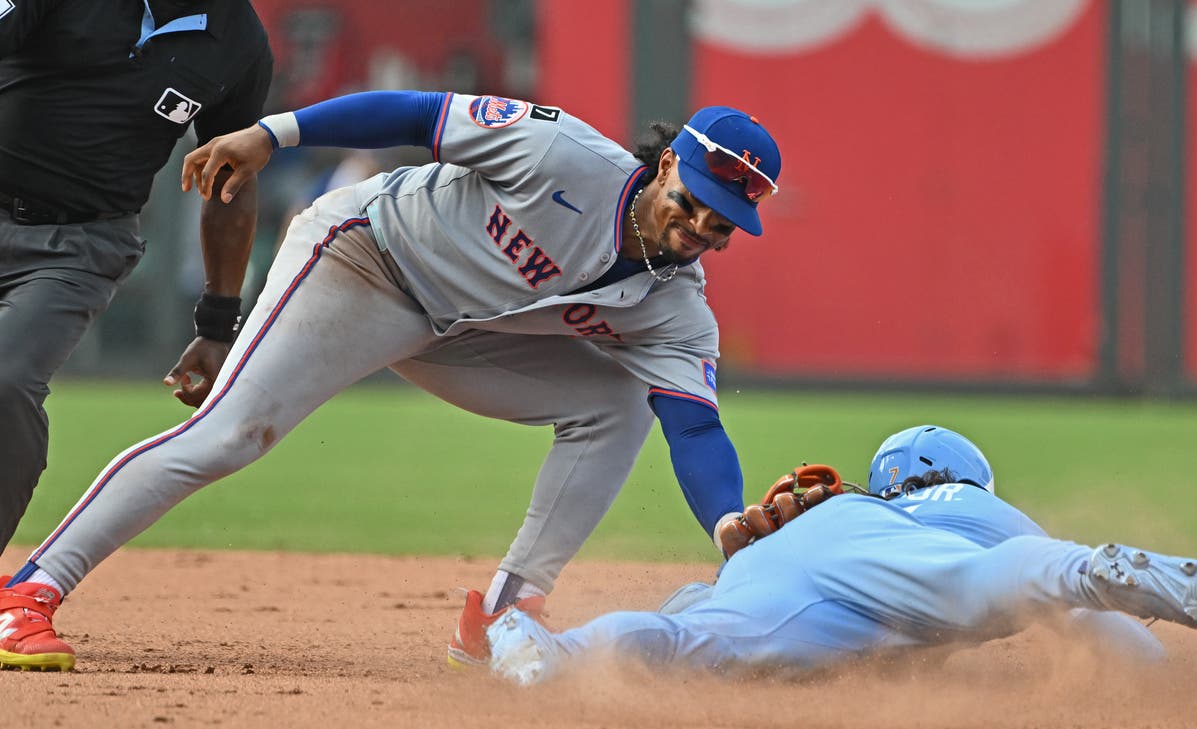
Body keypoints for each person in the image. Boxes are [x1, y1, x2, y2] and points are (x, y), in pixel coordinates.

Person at [0, 90, 783, 671]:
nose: (701, 229)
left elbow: (694, 424)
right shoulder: (561, 155)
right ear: (669, 162)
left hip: (453, 328)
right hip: (362, 259)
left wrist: (724, 525)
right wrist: (274, 134)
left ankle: (506, 617)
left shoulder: (676, 305)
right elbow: (418, 115)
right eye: (695, 202)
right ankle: (28, 591)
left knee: (614, 400)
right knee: (231, 436)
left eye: (722, 225)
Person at [485, 425, 1197, 686]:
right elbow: (1097, 635)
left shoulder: (851, 504)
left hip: (799, 561)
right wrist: (1159, 678)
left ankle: (543, 645)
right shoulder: (980, 507)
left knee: (698, 631)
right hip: (924, 569)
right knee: (1010, 581)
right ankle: (1093, 565)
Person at [0, 1, 274, 554]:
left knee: (5, 382)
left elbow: (232, 181)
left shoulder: (239, 43)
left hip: (77, 248)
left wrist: (218, 325)